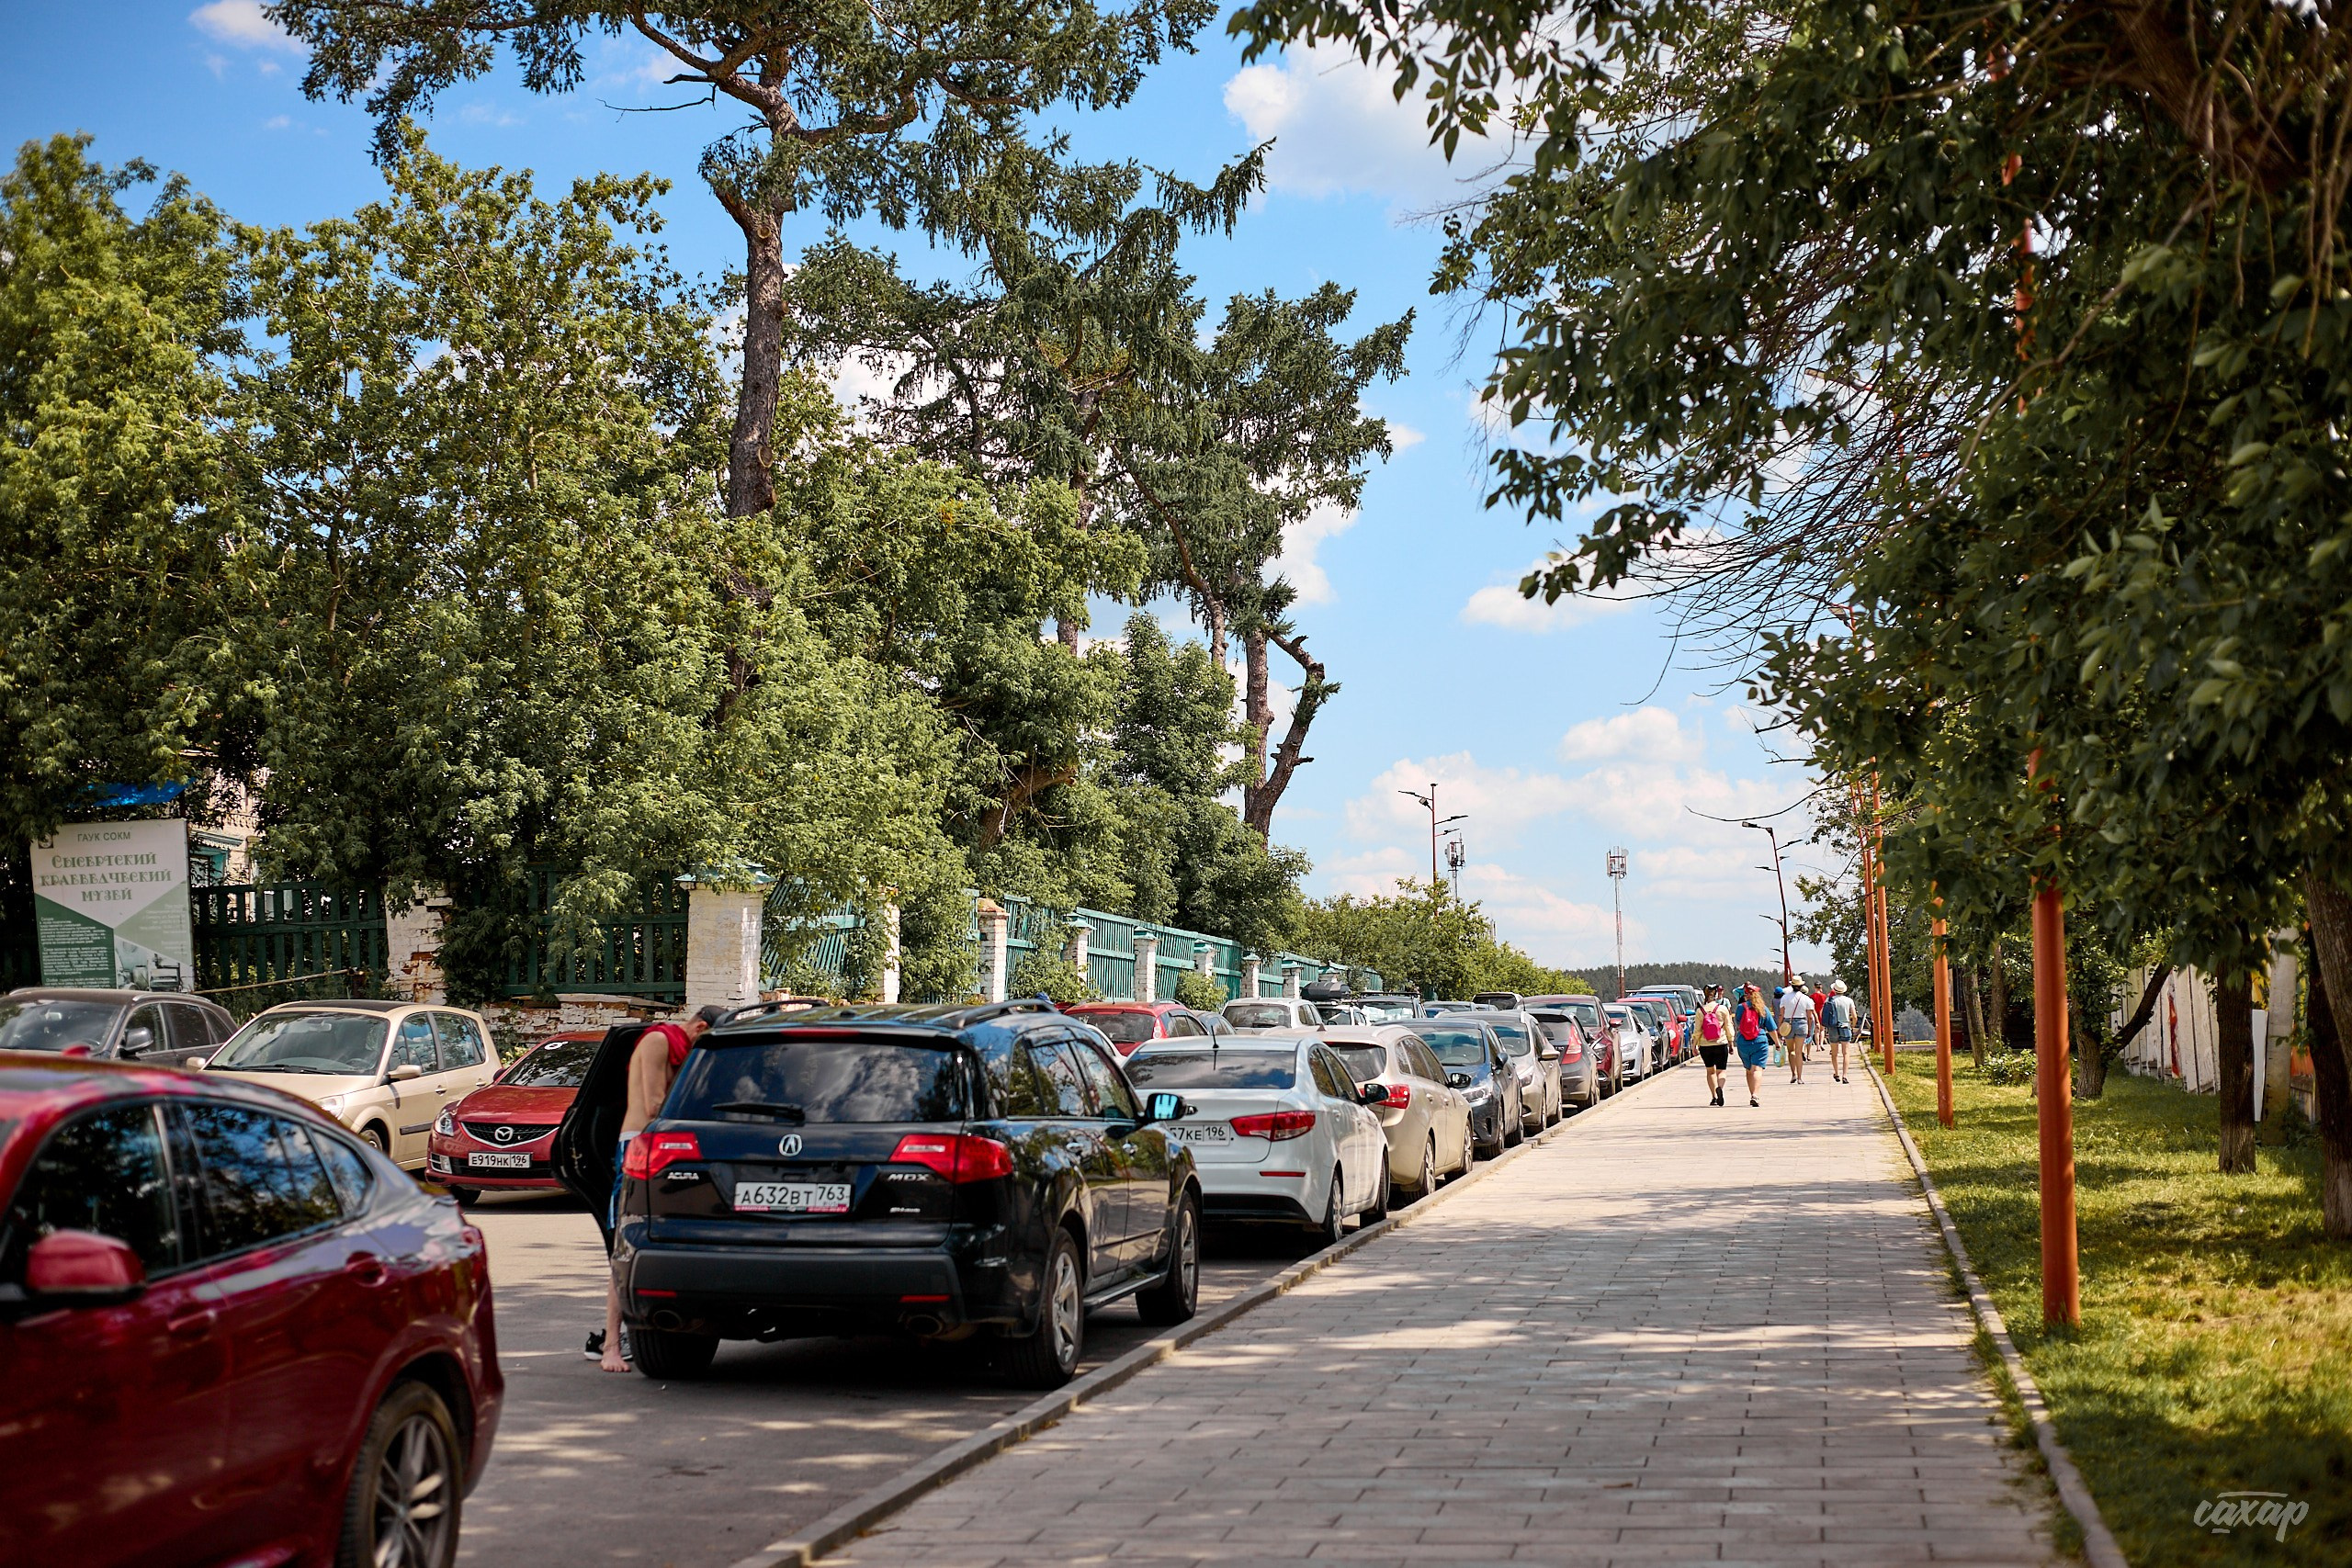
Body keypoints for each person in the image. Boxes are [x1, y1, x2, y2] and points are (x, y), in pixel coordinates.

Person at [594, 1002, 726, 1371]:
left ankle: (618, 1340)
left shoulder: (677, 1048)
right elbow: (654, 1106)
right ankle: (610, 1347)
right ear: (699, 1027)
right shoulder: (658, 1041)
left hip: (658, 1147)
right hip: (637, 1144)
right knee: (626, 1243)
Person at [1734, 984, 1773, 1107]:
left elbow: (1739, 1023)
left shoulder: (1741, 1007)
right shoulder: (1763, 1008)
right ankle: (1755, 1094)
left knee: (1749, 1070)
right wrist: (1777, 1043)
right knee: (1757, 1069)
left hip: (1743, 1042)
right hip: (1759, 1041)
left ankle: (1752, 1093)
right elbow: (1771, 1028)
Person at [1696, 984, 1735, 1106]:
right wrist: (1731, 1042)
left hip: (1705, 1044)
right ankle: (1720, 1089)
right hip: (1721, 1042)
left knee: (1710, 1071)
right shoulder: (1722, 1009)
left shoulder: (1700, 1011)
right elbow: (1729, 1026)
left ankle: (1713, 1096)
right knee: (1721, 1071)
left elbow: (1697, 1030)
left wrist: (1694, 1046)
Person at [1821, 979, 1860, 1083]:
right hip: (1845, 1027)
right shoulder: (1849, 1000)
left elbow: (1822, 1014)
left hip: (1833, 1028)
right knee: (1846, 1053)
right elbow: (1854, 1016)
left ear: (1834, 989)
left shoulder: (1829, 1000)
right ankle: (1845, 1075)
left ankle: (1836, 1073)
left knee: (1834, 1053)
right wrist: (1852, 1026)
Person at [1779, 981, 1816, 1084]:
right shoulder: (1806, 999)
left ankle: (1793, 1074)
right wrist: (1809, 1029)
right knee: (1799, 1052)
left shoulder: (1785, 998)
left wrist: (1779, 1027)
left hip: (1788, 1024)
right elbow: (1809, 1016)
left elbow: (1781, 1014)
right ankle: (1800, 1077)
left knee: (1791, 1051)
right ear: (1801, 986)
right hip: (1801, 1023)